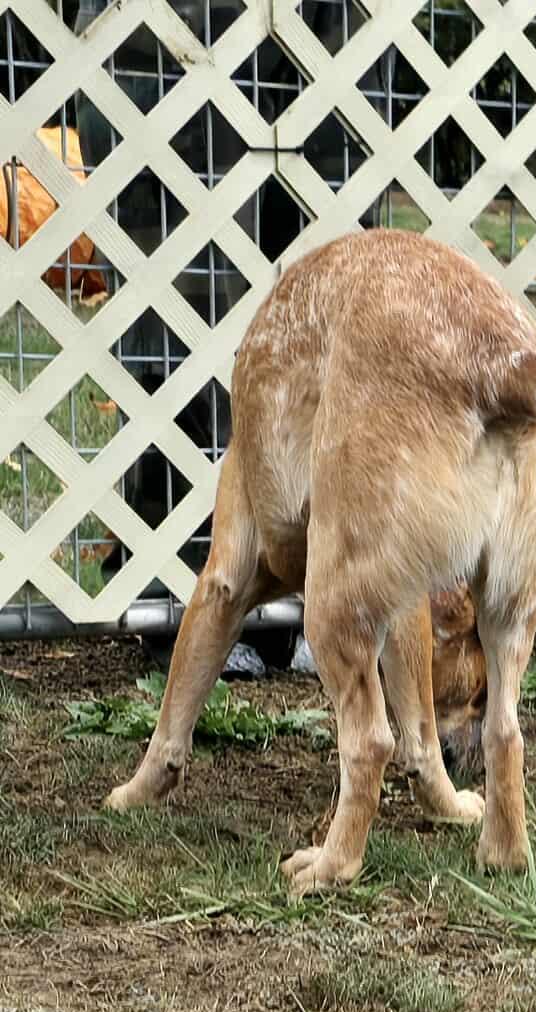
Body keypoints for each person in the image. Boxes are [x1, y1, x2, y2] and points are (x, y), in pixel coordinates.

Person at [71, 2, 395, 669]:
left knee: (338, 313)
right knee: (183, 317)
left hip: (330, 22)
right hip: (171, 29)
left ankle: (330, 600)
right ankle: (192, 594)